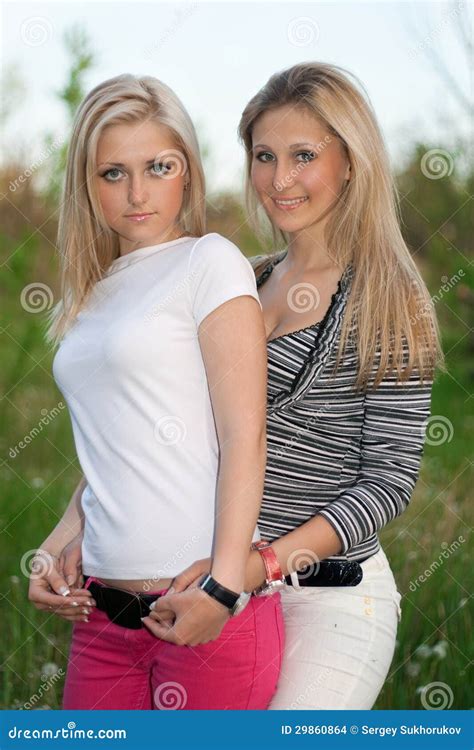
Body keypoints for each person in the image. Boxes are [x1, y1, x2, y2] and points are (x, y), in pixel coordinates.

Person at [148, 62, 445, 709]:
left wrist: (262, 568)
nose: (280, 180)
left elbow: (389, 481)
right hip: (218, 578)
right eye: (265, 156)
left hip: (329, 599)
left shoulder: (391, 299)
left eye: (304, 155)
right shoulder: (241, 281)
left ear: (350, 162)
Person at [27, 73, 283, 710]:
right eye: (113, 172)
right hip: (101, 617)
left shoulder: (209, 262)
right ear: (85, 184)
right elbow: (115, 444)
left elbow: (244, 435)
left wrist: (224, 590)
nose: (137, 193)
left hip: (203, 612)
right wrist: (61, 541)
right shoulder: (90, 294)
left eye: (159, 167)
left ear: (188, 172)